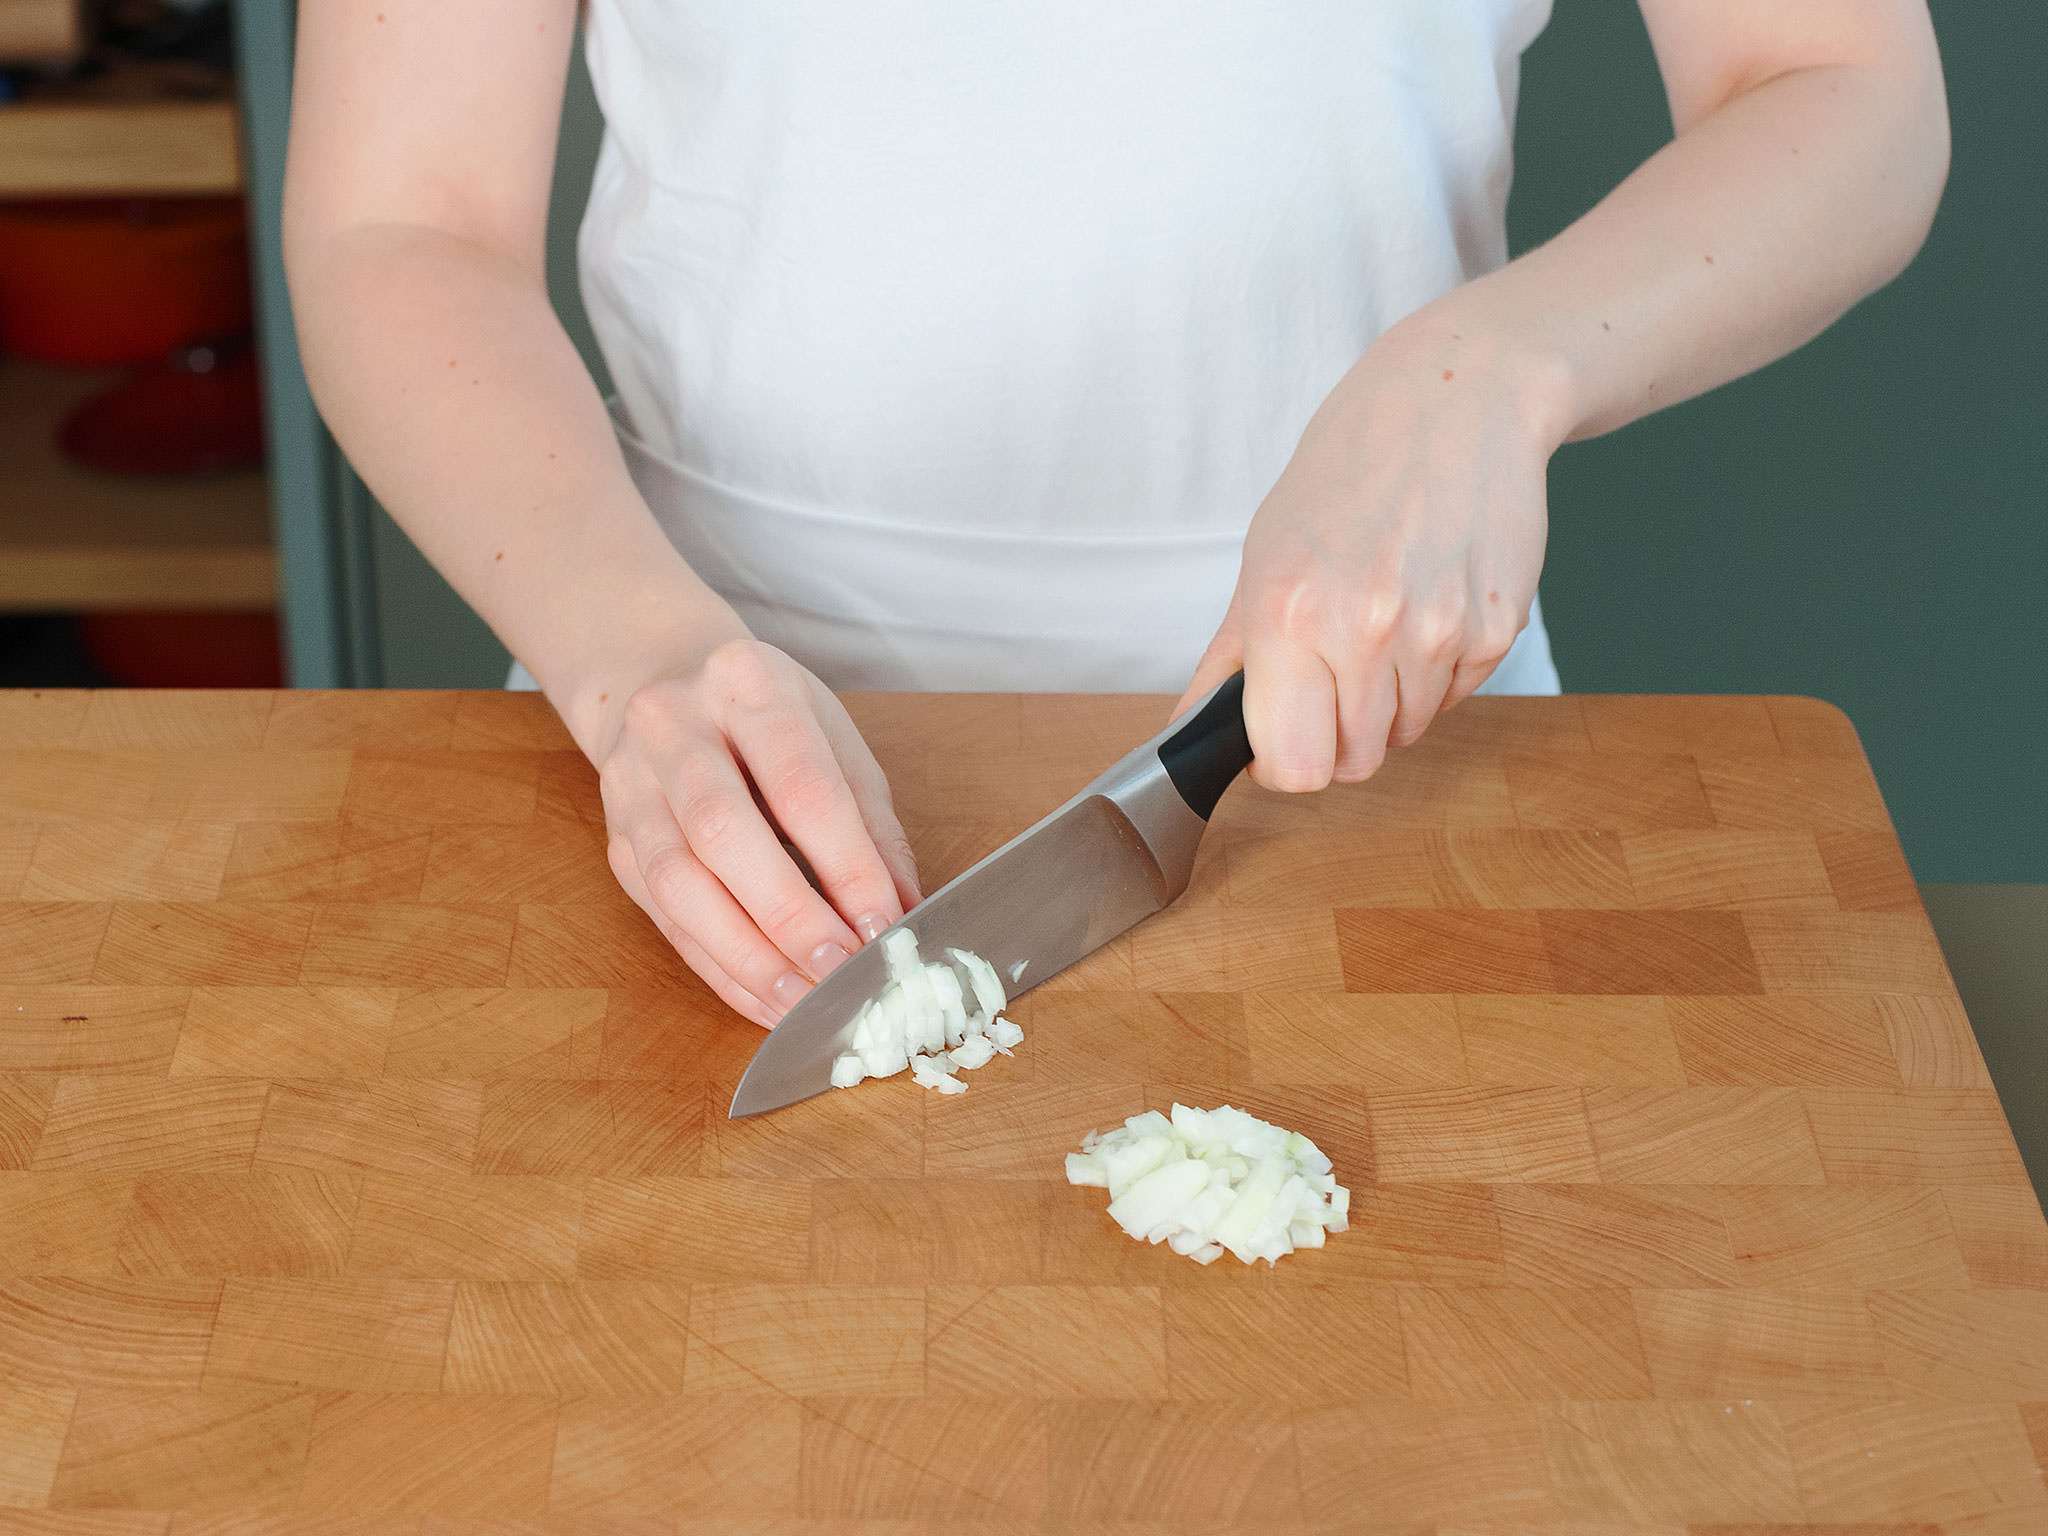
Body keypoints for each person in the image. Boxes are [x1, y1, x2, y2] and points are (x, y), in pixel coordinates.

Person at [284, 0, 1948, 1027]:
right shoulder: (655, 695)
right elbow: (399, 218)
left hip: (1392, 743)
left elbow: (1841, 80)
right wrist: (633, 658)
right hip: (686, 740)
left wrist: (1495, 370)